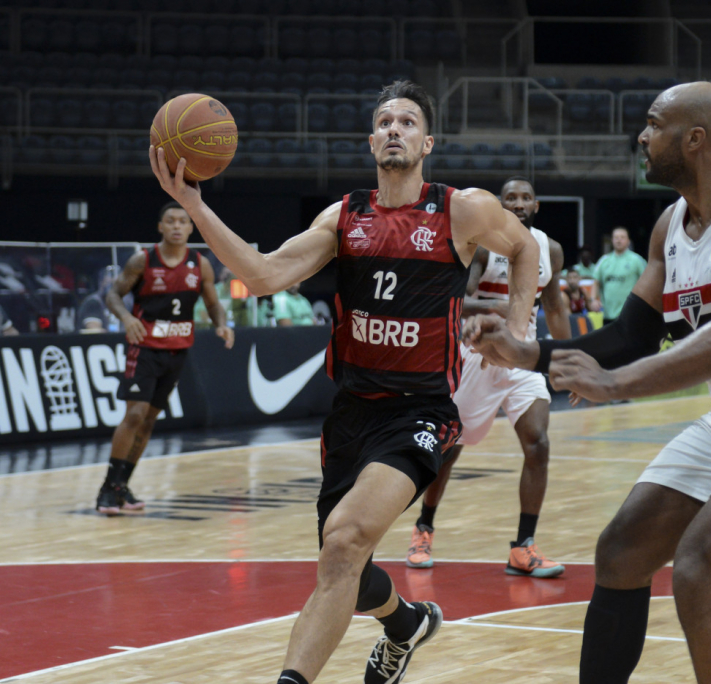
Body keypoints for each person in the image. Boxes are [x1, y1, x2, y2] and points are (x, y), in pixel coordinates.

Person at [465, 82, 711, 684]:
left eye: (654, 125)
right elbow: (631, 333)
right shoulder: (669, 227)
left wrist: (613, 384)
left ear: (695, 140)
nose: (642, 136)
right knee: (622, 550)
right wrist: (527, 352)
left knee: (700, 568)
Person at [150, 80, 539, 684]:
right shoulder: (344, 217)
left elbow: (524, 247)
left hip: (421, 412)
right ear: (370, 141)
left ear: (427, 141)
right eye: (384, 122)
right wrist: (196, 205)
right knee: (345, 569)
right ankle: (406, 624)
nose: (394, 130)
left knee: (345, 542)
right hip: (352, 413)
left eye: (407, 122)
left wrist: (519, 329)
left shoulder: (462, 209)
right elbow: (261, 275)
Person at [407, 176, 570, 578]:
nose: (517, 203)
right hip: (479, 354)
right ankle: (423, 526)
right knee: (449, 447)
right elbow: (456, 301)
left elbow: (557, 308)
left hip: (525, 356)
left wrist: (569, 361)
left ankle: (523, 546)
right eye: (510, 198)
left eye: (525, 197)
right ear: (499, 206)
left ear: (536, 205)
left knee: (539, 443)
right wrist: (503, 304)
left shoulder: (550, 250)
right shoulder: (484, 246)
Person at [95, 202, 234, 515]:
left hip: (177, 351)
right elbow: (113, 295)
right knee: (134, 415)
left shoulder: (200, 264)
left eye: (182, 221)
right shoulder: (142, 260)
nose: (175, 226)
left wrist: (222, 325)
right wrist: (126, 319)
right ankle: (107, 486)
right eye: (170, 220)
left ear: (189, 228)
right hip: (144, 347)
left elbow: (213, 305)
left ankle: (122, 485)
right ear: (160, 227)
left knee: (147, 422)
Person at [593, 226, 646, 323]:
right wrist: (593, 300)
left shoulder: (637, 260)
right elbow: (596, 282)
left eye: (622, 237)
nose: (619, 240)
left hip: (630, 315)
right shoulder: (604, 260)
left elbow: (647, 282)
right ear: (612, 240)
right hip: (608, 315)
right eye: (616, 237)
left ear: (628, 241)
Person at [77, 265, 124, 333]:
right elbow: (94, 332)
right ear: (101, 282)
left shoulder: (124, 303)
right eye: (110, 284)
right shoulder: (93, 302)